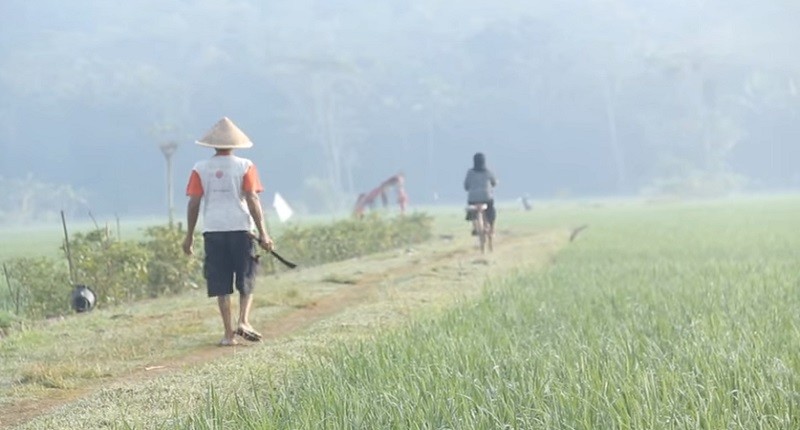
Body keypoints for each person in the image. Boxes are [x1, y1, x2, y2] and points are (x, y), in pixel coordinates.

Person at [182, 117, 274, 347]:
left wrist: (189, 235)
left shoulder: (200, 168)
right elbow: (252, 199)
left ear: (213, 144)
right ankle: (243, 320)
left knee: (220, 282)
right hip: (241, 229)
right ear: (235, 144)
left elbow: (194, 203)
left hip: (213, 230)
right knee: (246, 277)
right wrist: (264, 233)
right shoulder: (245, 166)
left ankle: (228, 334)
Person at [463, 152, 498, 235]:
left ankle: (475, 226)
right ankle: (491, 227)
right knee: (491, 210)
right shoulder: (488, 172)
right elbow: (494, 182)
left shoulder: (470, 172)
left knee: (471, 210)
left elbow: (466, 186)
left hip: (473, 198)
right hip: (486, 197)